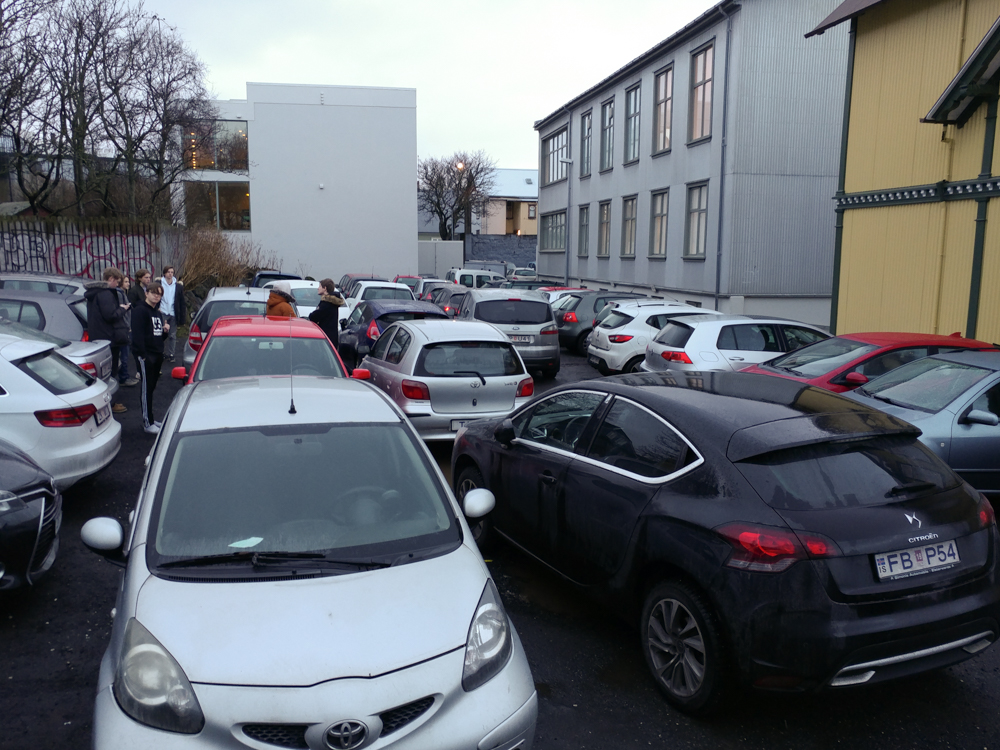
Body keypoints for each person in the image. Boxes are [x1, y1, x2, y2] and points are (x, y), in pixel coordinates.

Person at [84, 267, 130, 413]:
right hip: (109, 338)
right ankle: (111, 403)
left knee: (102, 374)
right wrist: (123, 308)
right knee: (110, 373)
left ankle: (105, 402)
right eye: (117, 281)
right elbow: (110, 315)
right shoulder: (105, 294)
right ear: (111, 279)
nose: (118, 285)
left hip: (99, 337)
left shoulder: (94, 294)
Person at [132, 282, 169, 434]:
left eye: (159, 294)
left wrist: (165, 331)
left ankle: (152, 419)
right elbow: (137, 335)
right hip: (146, 356)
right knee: (146, 389)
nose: (156, 296)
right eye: (153, 293)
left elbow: (158, 336)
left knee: (152, 388)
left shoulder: (157, 313)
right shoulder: (140, 310)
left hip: (157, 354)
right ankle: (147, 423)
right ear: (146, 293)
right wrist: (143, 355)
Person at [159, 265, 186, 362]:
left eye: (172, 272)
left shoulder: (178, 286)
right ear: (164, 273)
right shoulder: (159, 283)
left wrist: (182, 317)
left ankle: (171, 354)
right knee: (160, 334)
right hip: (162, 311)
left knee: (172, 335)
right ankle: (159, 352)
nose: (170, 274)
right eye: (168, 272)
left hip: (173, 313)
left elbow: (182, 302)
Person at [308, 278, 345, 348]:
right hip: (332, 336)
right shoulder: (333, 301)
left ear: (325, 288)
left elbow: (314, 317)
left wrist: (310, 315)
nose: (318, 288)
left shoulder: (326, 303)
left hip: (325, 337)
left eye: (320, 286)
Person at [128, 269, 151, 377]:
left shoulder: (148, 289)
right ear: (139, 278)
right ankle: (139, 370)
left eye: (149, 277)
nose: (148, 279)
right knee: (137, 346)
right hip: (137, 321)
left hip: (146, 321)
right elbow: (131, 307)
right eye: (146, 277)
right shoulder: (134, 291)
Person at [117, 277, 138, 387]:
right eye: (126, 282)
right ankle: (123, 377)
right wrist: (128, 326)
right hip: (125, 328)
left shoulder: (123, 293)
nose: (128, 284)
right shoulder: (119, 294)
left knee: (125, 353)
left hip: (126, 326)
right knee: (124, 355)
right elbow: (123, 312)